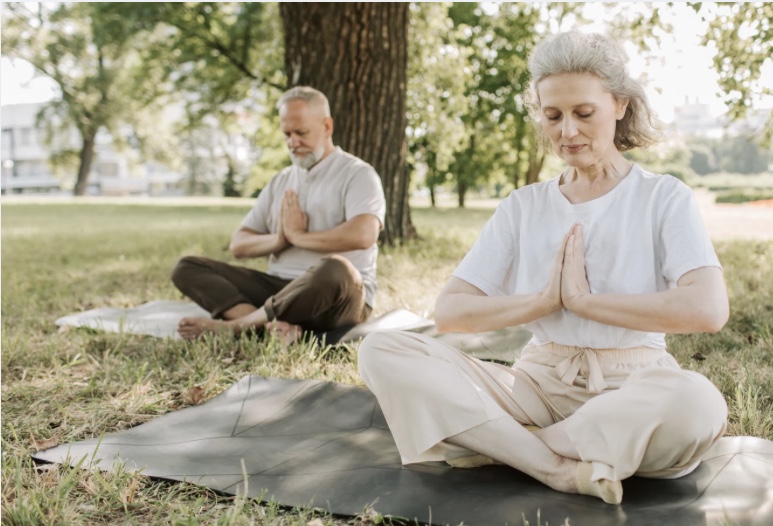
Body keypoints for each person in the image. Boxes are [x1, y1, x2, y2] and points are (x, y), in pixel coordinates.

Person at [357, 32, 729, 505]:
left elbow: (709, 309)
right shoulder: (523, 206)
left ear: (618, 105)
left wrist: (584, 303)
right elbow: (451, 311)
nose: (567, 132)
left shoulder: (663, 197)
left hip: (634, 382)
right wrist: (542, 302)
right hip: (535, 383)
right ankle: (554, 466)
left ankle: (501, 445)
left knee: (697, 405)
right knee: (382, 350)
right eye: (553, 116)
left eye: (583, 113)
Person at [172, 86, 386, 344]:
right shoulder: (280, 180)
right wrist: (280, 240)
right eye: (287, 134)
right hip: (280, 289)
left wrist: (298, 236)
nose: (292, 142)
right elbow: (238, 244)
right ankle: (268, 329)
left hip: (336, 299)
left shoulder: (358, 174)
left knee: (336, 268)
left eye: (301, 133)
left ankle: (239, 326)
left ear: (327, 126)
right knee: (188, 267)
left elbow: (363, 235)